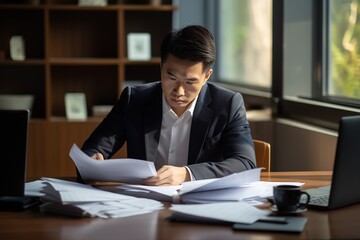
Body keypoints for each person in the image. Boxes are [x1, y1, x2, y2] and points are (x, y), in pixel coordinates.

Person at [81, 25, 256, 186]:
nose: (179, 91)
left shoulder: (227, 104)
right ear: (161, 67)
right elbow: (93, 148)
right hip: (142, 204)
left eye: (190, 82)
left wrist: (186, 174)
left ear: (206, 76)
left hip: (200, 206)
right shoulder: (134, 100)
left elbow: (245, 163)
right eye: (171, 77)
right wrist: (93, 161)